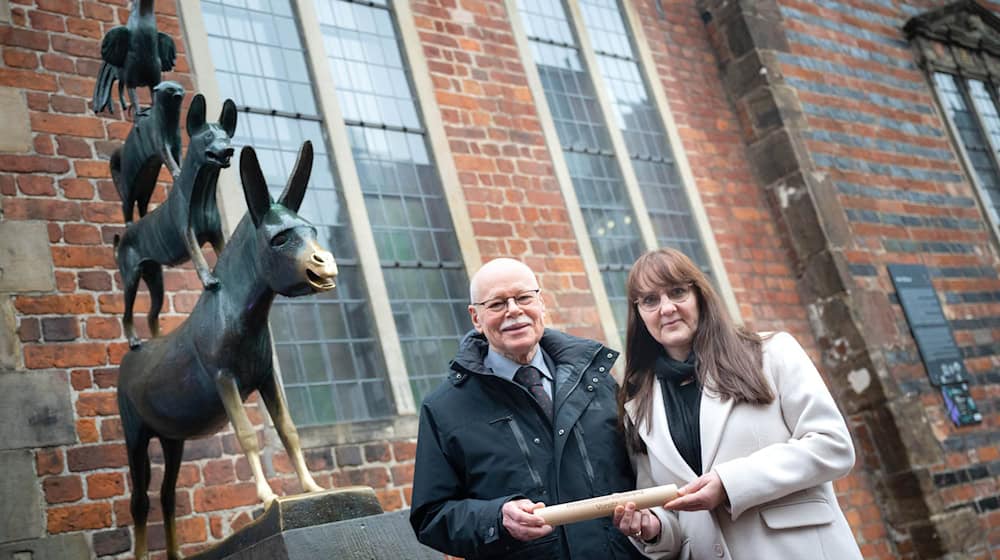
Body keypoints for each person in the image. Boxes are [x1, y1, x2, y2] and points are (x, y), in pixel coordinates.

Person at [612, 248, 862, 560]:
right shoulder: (639, 403)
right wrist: (654, 527)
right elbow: (669, 512)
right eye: (650, 300)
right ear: (638, 313)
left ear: (700, 296)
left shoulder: (771, 354)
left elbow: (833, 446)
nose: (666, 308)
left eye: (677, 292)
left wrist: (729, 483)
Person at [410, 258, 645, 560]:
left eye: (523, 297)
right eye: (496, 304)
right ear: (476, 318)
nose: (513, 310)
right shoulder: (444, 409)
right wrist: (497, 518)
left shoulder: (595, 380)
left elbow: (639, 471)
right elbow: (431, 516)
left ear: (541, 302)